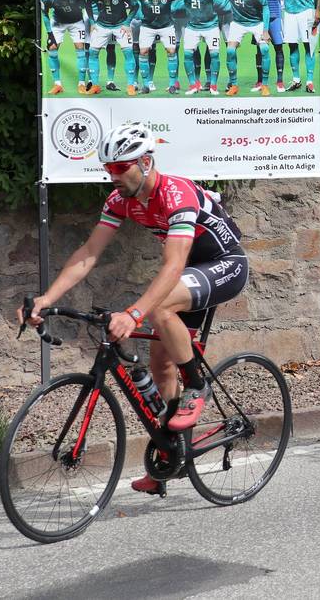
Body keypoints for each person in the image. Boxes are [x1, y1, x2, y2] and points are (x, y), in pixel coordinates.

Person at [19, 123, 248, 495]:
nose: (113, 175)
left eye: (120, 167)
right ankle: (172, 457)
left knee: (159, 309)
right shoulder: (120, 201)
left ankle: (197, 386)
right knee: (160, 364)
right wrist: (47, 298)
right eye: (108, 168)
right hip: (189, 274)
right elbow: (88, 253)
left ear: (145, 162)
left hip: (225, 264)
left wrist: (134, 314)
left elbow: (173, 265)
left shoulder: (176, 193)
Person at [120, 0, 185, 94]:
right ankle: (146, 85)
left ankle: (172, 85)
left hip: (167, 26)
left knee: (171, 51)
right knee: (143, 52)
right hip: (147, 27)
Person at [74, 0, 127, 92]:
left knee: (111, 47)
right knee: (89, 47)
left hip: (112, 11)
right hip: (92, 11)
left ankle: (110, 81)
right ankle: (92, 80)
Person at [83, 0, 138, 95]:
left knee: (128, 52)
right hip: (102, 25)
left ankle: (130, 86)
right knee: (93, 52)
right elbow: (87, 5)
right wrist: (92, 22)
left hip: (121, 25)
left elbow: (135, 6)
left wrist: (127, 23)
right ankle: (95, 85)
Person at [179, 0, 227, 95]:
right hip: (192, 27)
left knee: (215, 54)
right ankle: (193, 85)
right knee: (187, 55)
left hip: (211, 26)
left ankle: (213, 85)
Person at [40, 0, 89, 95]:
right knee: (52, 48)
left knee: (80, 48)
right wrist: (50, 34)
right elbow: (45, 15)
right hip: (58, 23)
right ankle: (57, 84)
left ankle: (81, 84)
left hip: (76, 22)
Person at [124, 0, 165, 91]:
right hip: (135, 15)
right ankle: (135, 81)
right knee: (135, 48)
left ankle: (150, 80)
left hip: (152, 16)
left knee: (151, 49)